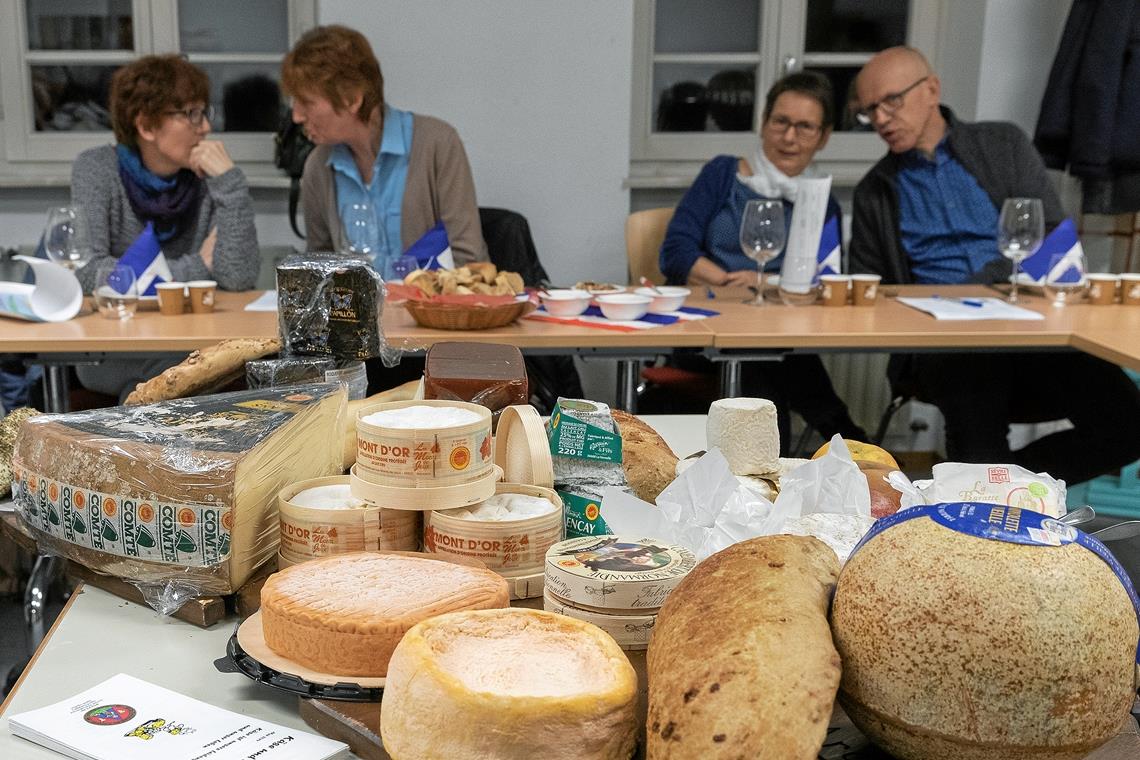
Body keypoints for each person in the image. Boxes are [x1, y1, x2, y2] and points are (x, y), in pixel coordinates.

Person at [850, 46, 1140, 484]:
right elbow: (872, 289)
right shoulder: (875, 190)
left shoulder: (1002, 143)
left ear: (931, 90)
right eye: (871, 110)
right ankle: (981, 485)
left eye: (891, 101)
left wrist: (979, 285)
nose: (882, 119)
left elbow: (1051, 237)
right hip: (946, 339)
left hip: (1031, 326)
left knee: (1130, 425)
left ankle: (997, 484)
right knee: (976, 426)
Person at [658, 71, 867, 451]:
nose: (790, 137)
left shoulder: (823, 202)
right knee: (768, 373)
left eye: (805, 127)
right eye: (781, 122)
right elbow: (676, 252)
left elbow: (826, 278)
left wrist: (764, 285)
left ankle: (808, 452)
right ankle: (844, 438)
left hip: (783, 336)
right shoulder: (722, 174)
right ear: (763, 123)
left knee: (773, 363)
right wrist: (726, 280)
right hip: (710, 332)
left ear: (824, 137)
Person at [70, 55, 259, 402]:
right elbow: (87, 270)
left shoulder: (213, 177)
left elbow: (238, 276)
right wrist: (198, 267)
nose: (204, 128)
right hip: (116, 346)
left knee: (168, 385)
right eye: (190, 114)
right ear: (146, 126)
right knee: (186, 376)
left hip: (193, 340)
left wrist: (231, 185)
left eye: (204, 112)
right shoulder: (97, 169)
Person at [281, 24, 488, 278]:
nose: (296, 116)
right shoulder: (318, 166)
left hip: (433, 314)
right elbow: (320, 270)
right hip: (358, 317)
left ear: (351, 99)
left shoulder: (437, 144)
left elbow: (469, 262)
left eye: (306, 102)